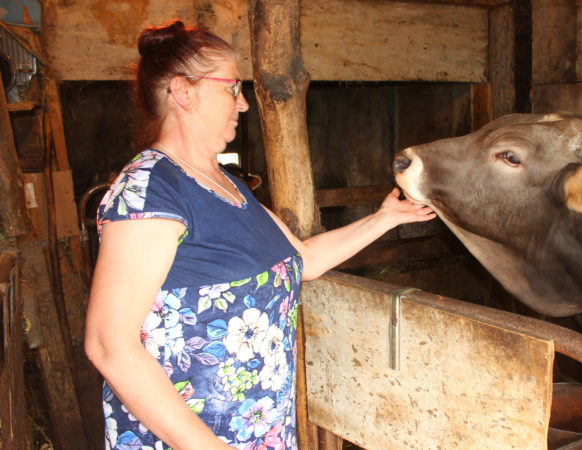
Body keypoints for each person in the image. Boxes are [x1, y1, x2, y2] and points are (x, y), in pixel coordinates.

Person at [84, 20, 435, 450]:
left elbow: (302, 260)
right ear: (183, 92)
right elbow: (108, 343)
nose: (244, 103)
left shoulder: (226, 186)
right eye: (232, 88)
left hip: (257, 432)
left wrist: (386, 218)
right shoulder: (151, 191)